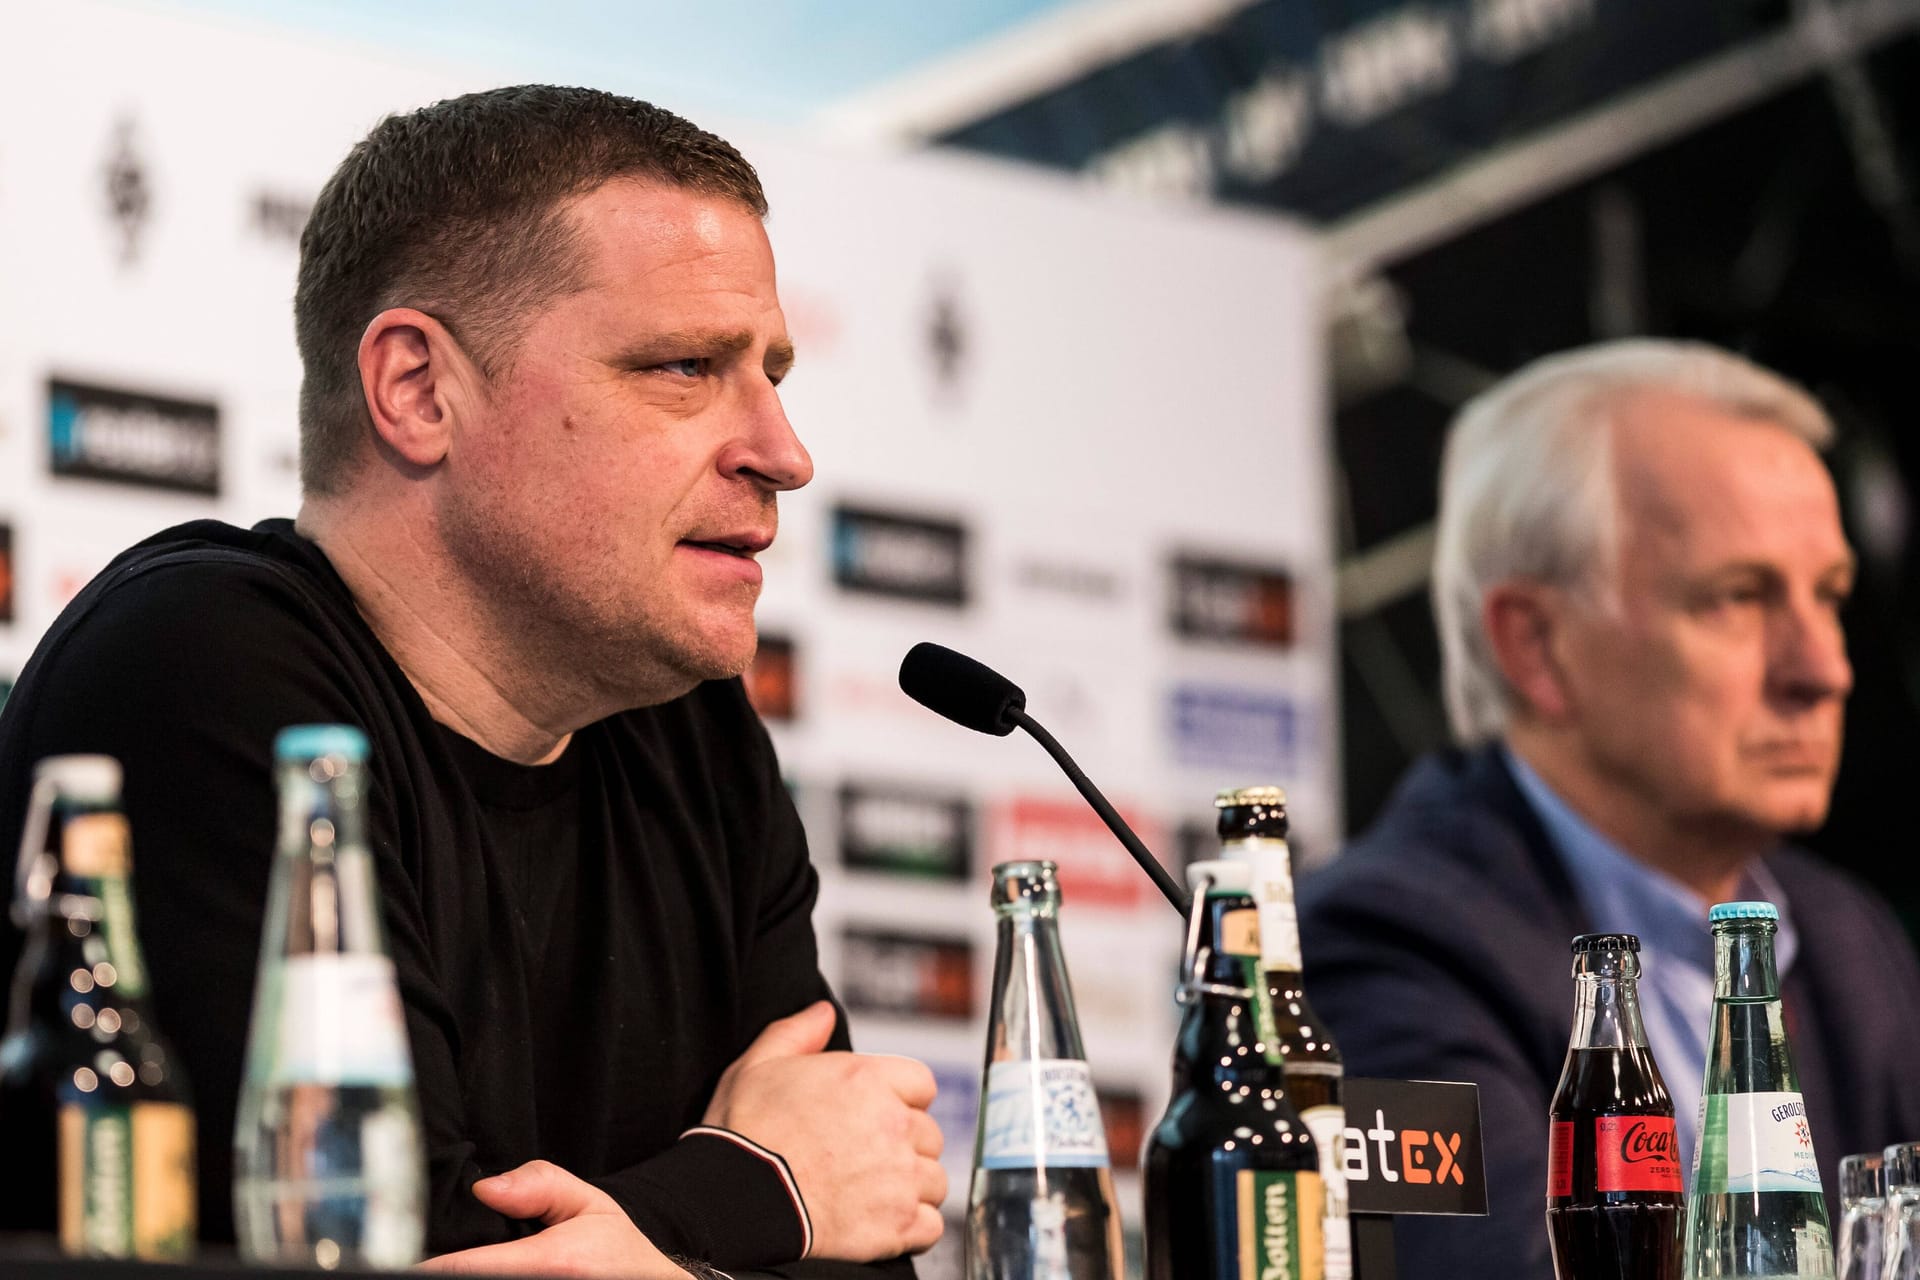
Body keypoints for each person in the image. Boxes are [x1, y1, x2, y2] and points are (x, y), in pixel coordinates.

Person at [0, 86, 945, 1280]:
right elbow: (361, 1250)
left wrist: (731, 1214)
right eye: (685, 367)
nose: (784, 452)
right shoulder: (197, 664)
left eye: (772, 370)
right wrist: (749, 1191)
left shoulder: (692, 733)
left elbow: (861, 1241)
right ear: (418, 389)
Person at [1298, 339, 1920, 1278]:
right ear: (1539, 645)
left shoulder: (1845, 940)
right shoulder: (1382, 947)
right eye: (1740, 597)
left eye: (1829, 596)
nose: (1824, 670)